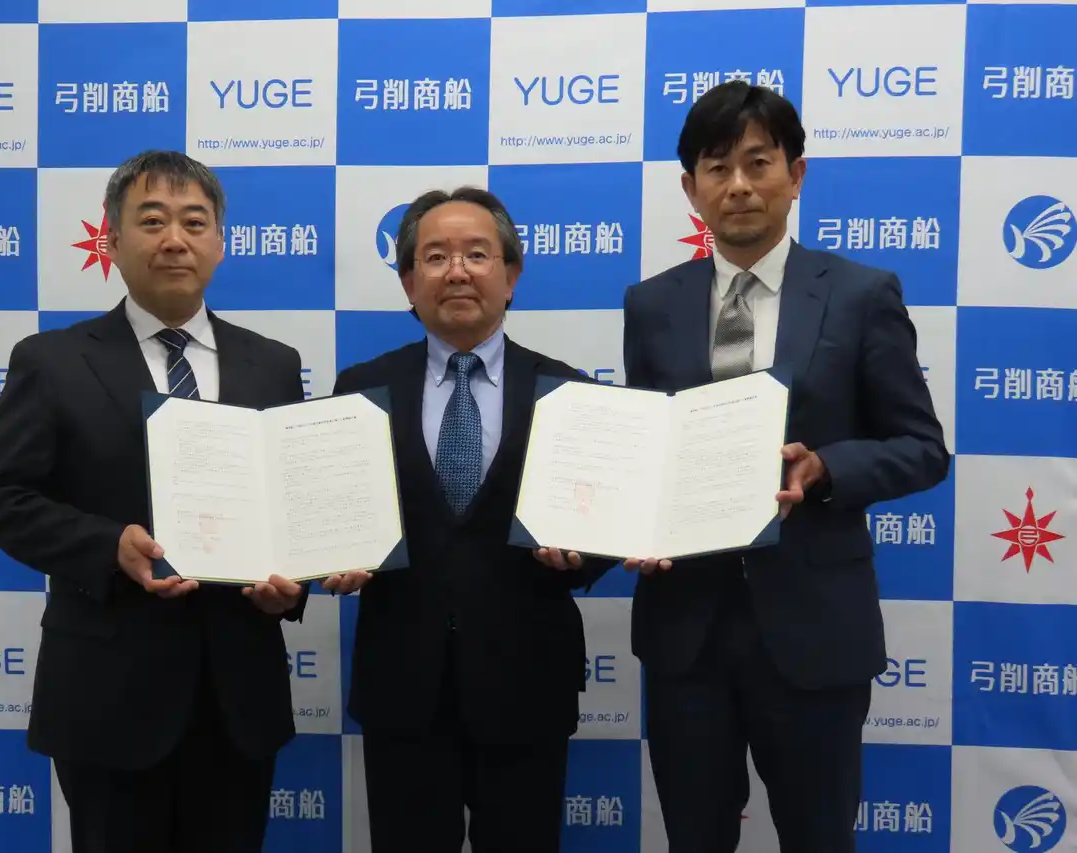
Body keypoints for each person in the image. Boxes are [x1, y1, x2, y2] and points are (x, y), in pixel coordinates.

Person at [621, 81, 949, 852]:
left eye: (758, 162)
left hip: (814, 627)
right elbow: (643, 446)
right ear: (690, 189)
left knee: (820, 836)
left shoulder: (861, 294)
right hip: (685, 629)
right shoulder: (650, 304)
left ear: (795, 175)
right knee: (694, 838)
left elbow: (922, 447)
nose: (738, 185)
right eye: (716, 167)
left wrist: (826, 467)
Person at [0, 150, 308, 853]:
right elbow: (2, 499)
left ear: (220, 241)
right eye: (152, 221)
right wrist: (108, 545)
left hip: (237, 695)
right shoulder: (52, 360)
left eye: (194, 222)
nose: (174, 239)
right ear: (113, 239)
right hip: (106, 695)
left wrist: (293, 585)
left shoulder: (274, 364)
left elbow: (290, 507)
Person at [323, 187, 611, 852]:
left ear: (511, 276)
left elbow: (601, 529)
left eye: (477, 255)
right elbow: (336, 517)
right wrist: (332, 556)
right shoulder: (359, 388)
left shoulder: (571, 393)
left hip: (527, 681)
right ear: (408, 282)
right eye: (435, 257)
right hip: (402, 682)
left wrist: (581, 556)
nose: (457, 271)